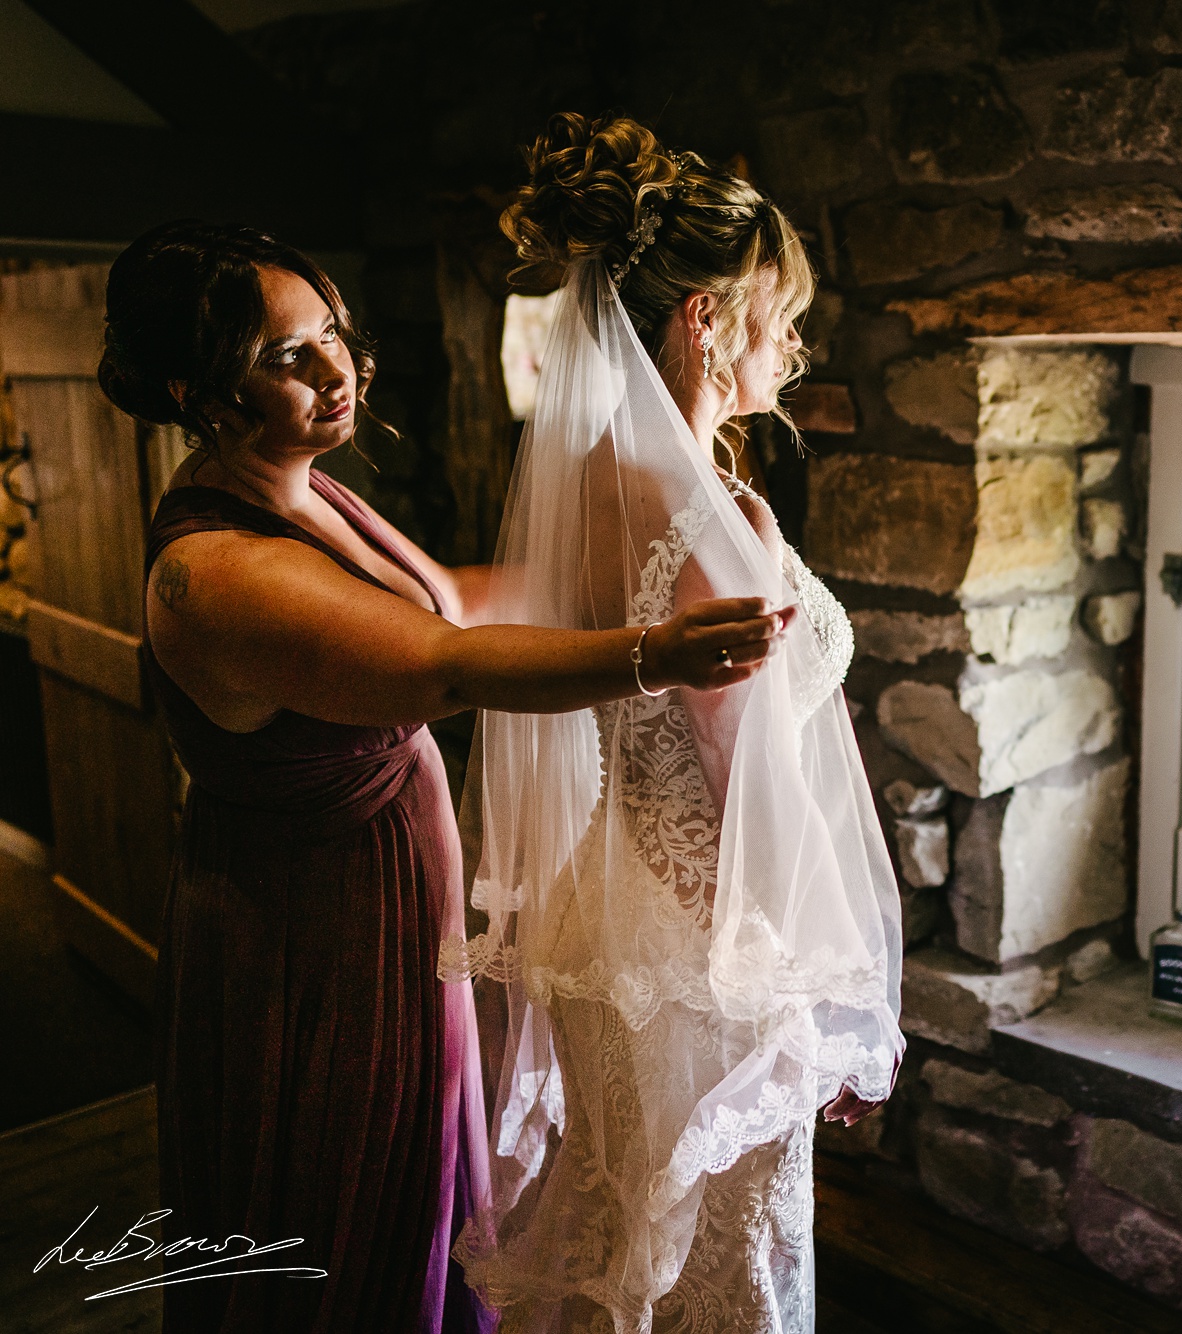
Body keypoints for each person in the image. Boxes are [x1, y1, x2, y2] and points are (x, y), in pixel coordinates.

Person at [101, 219, 792, 1333]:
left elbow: (449, 601)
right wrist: (652, 653)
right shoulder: (214, 570)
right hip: (312, 931)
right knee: (346, 1197)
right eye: (286, 357)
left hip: (384, 898)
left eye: (330, 333)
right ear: (197, 387)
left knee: (418, 1178)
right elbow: (445, 661)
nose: (337, 370)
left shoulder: (304, 487)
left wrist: (614, 551)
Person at [442, 115, 903, 1333]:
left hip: (610, 916)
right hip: (711, 955)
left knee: (621, 1227)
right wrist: (839, 1007)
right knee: (716, 1262)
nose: (793, 338)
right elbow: (754, 780)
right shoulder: (701, 520)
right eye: (777, 310)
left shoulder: (589, 479)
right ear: (703, 318)